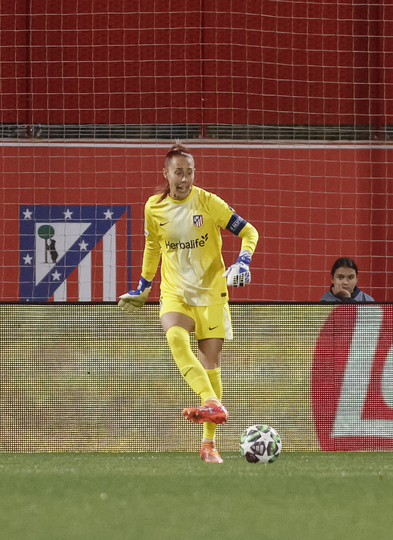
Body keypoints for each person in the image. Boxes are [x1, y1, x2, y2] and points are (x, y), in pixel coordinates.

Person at [118, 142, 259, 464]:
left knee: (211, 363)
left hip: (210, 293)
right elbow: (152, 247)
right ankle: (210, 401)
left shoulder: (209, 203)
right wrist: (143, 287)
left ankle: (208, 444)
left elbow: (249, 231)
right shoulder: (153, 207)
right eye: (178, 172)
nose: (184, 178)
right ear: (166, 174)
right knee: (175, 339)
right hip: (175, 292)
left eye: (190, 172)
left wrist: (243, 262)